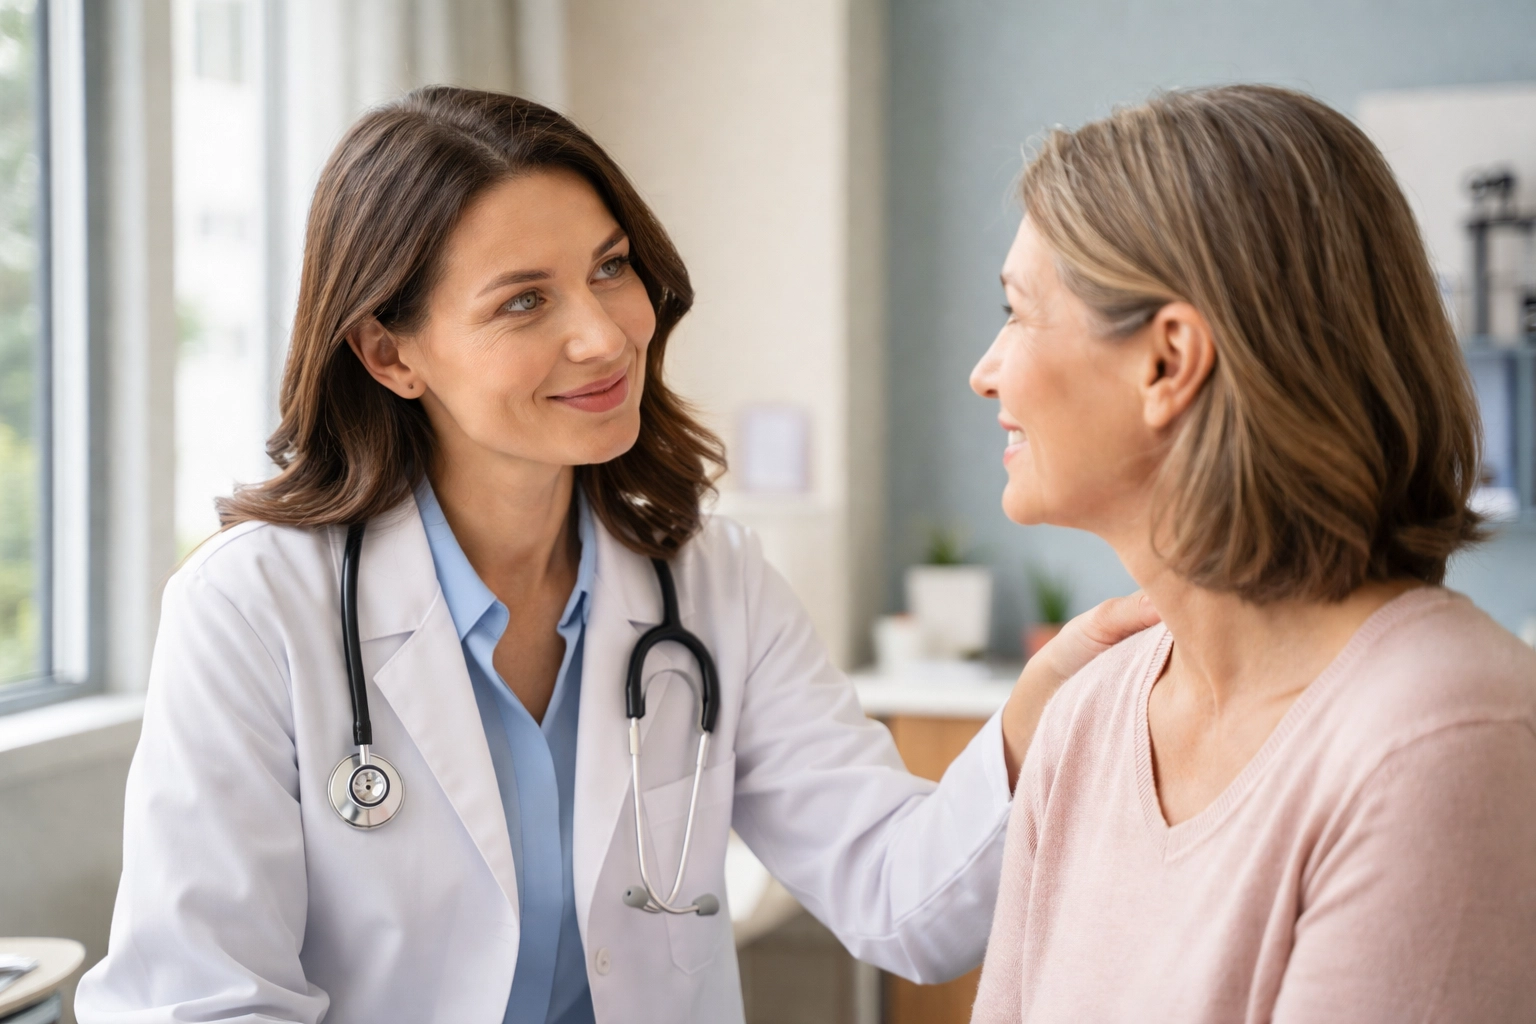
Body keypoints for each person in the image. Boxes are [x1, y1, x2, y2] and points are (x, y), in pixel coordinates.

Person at [74, 88, 1153, 1024]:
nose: (602, 334)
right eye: (524, 301)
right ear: (390, 352)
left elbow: (900, 901)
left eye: (609, 269)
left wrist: (1032, 718)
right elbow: (198, 1000)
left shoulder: (708, 583)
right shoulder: (255, 607)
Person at [967, 84, 1536, 1022]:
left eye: (1017, 312)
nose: (986, 370)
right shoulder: (1087, 725)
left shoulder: (1440, 740)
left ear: (1166, 363)